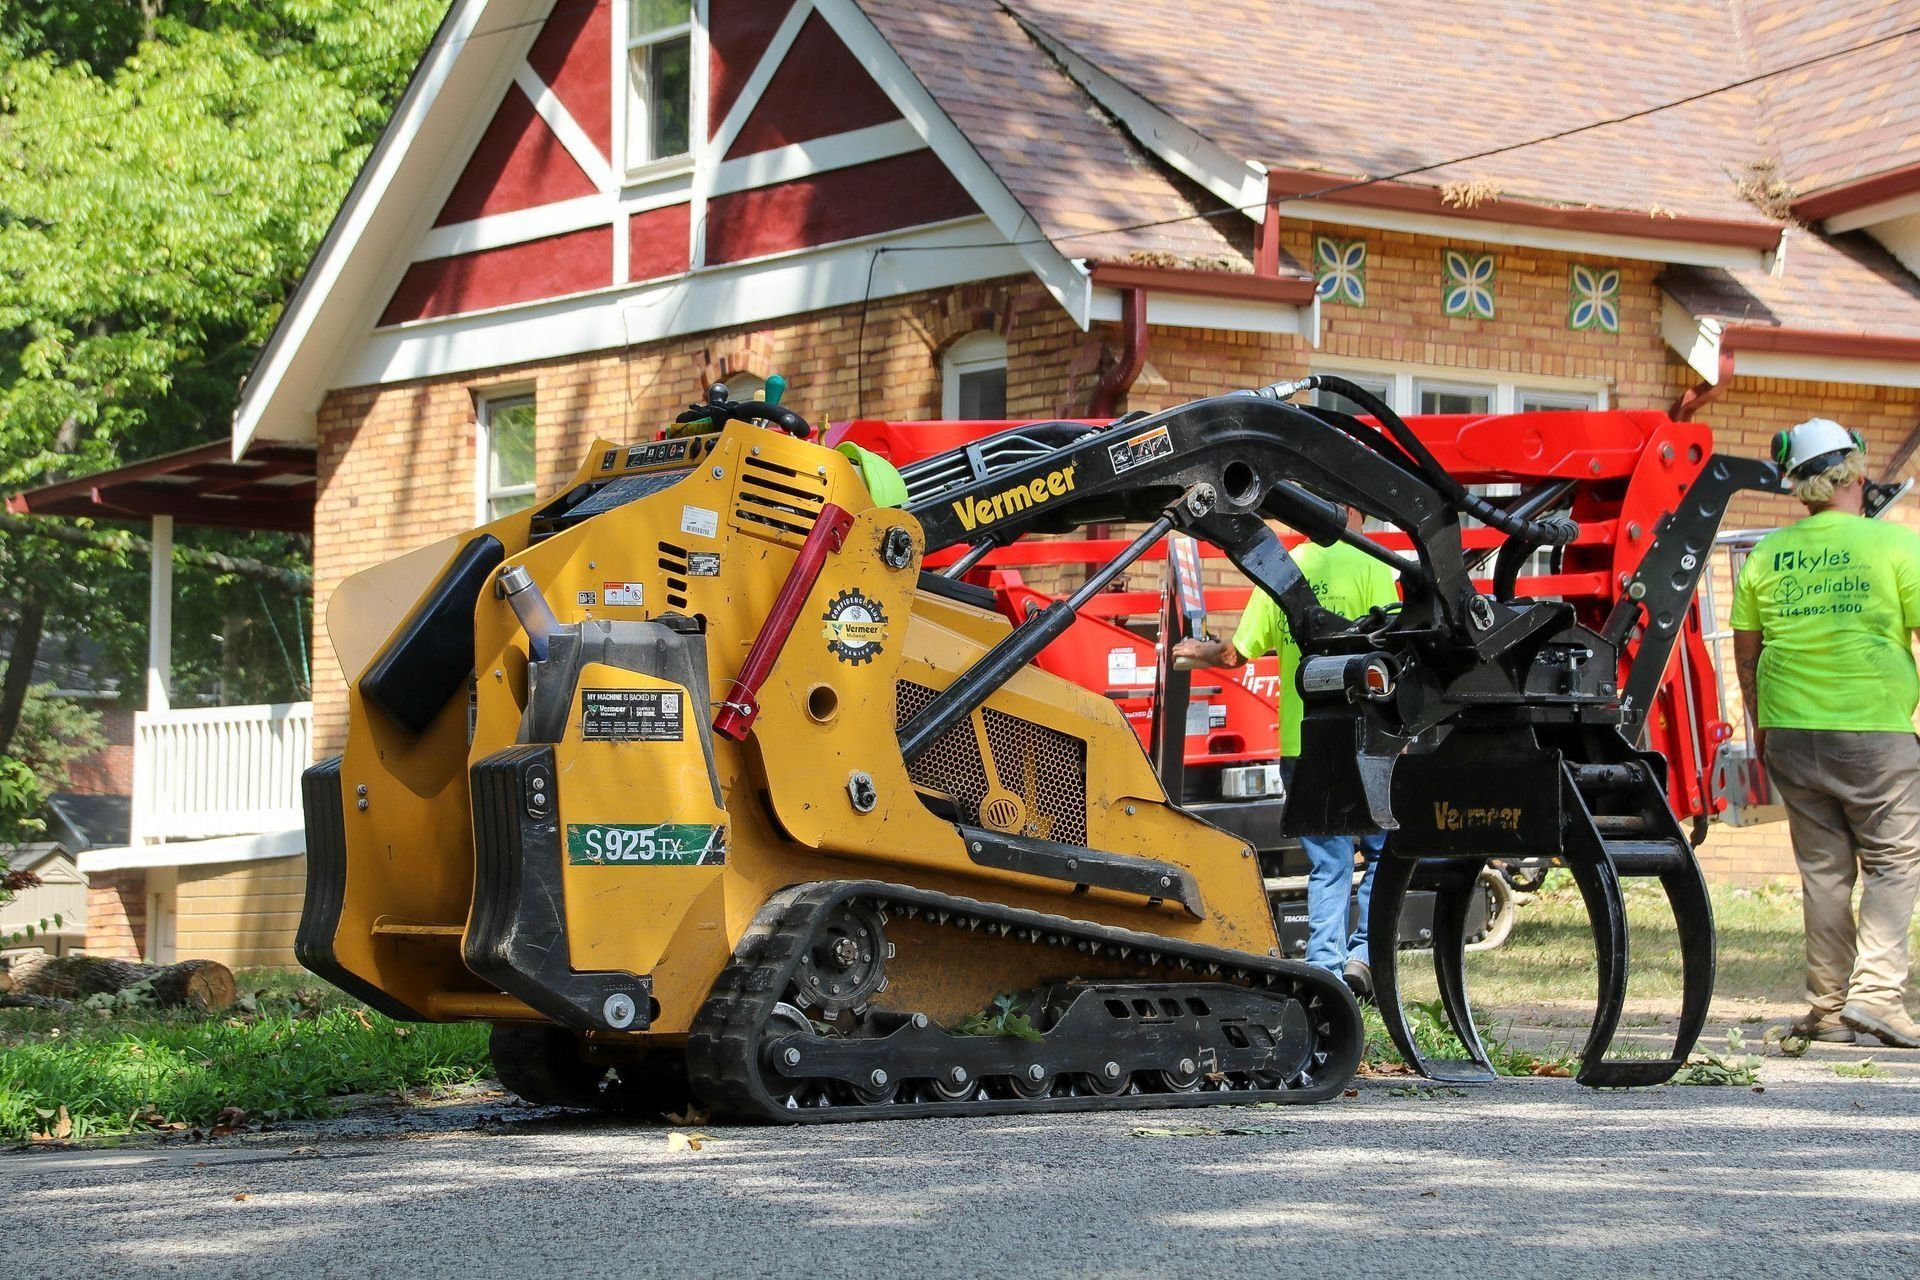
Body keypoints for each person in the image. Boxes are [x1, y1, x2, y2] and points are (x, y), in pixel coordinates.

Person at [1733, 417, 1920, 1049]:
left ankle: (1831, 1006)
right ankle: (1877, 999)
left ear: (1798, 487)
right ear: (1859, 472)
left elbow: (1747, 656)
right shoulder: (1893, 545)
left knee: (1824, 870)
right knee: (1894, 862)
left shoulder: (1766, 553)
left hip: (1791, 731)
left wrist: (1762, 733)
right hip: (1872, 729)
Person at [1173, 507, 1398, 998]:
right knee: (1386, 852)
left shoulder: (1284, 570)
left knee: (1329, 863)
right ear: (1352, 514)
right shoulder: (1373, 565)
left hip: (1305, 741)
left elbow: (1235, 654)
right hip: (1368, 740)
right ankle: (1365, 955)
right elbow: (1392, 643)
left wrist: (1191, 649)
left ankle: (1326, 975)